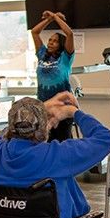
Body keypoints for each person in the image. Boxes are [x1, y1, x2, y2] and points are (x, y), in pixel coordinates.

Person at [0, 93, 110, 218]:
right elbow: (105, 139)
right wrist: (74, 113)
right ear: (43, 128)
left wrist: (36, 113)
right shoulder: (57, 155)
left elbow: (4, 133)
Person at [31, 10, 75, 141]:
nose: (50, 42)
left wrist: (56, 17)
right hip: (44, 107)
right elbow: (34, 32)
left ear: (60, 44)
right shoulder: (42, 55)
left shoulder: (65, 58)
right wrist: (49, 20)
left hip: (62, 108)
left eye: (55, 41)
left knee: (63, 143)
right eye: (50, 40)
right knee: (46, 142)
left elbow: (69, 34)